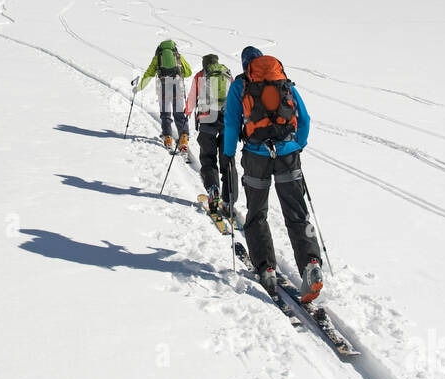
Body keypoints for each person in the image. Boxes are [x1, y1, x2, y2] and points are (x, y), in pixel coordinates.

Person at [223, 46, 323, 303]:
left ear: (246, 64)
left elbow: (232, 123)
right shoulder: (283, 81)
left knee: (257, 213)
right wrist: (297, 144)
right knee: (297, 214)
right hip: (288, 154)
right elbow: (306, 118)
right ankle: (311, 265)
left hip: (256, 156)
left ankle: (266, 269)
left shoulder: (240, 85)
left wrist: (228, 153)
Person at [185, 53, 237, 214]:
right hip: (227, 121)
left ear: (204, 64)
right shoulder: (227, 74)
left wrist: (187, 111)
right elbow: (236, 98)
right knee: (228, 160)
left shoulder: (200, 76)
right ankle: (229, 200)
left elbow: (192, 100)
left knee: (208, 157)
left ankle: (213, 189)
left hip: (207, 119)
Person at [137, 40, 193, 150]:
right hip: (178, 86)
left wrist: (139, 87)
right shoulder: (177, 56)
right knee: (179, 113)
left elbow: (149, 73)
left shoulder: (158, 58)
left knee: (165, 113)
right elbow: (189, 72)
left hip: (163, 87)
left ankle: (168, 138)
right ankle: (184, 138)